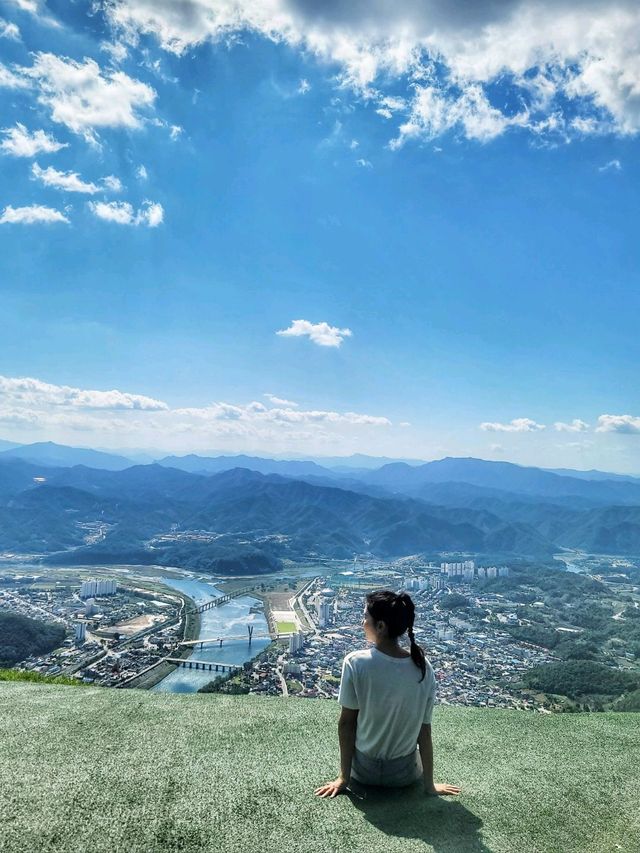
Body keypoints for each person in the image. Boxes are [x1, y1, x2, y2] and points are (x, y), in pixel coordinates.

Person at [314, 589, 462, 799]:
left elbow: (347, 724)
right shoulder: (423, 667)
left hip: (363, 773)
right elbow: (424, 730)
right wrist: (429, 785)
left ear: (381, 626)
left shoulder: (355, 662)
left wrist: (343, 778)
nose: (362, 622)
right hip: (405, 774)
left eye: (365, 616)